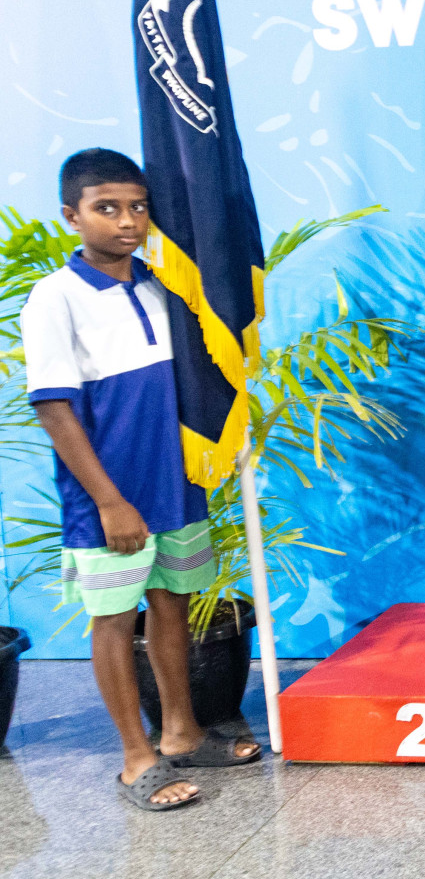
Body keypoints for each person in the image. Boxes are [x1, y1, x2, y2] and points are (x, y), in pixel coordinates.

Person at [21, 150, 261, 811]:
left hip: (174, 484)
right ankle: (135, 757)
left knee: (172, 606)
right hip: (110, 497)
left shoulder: (164, 285)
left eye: (137, 207)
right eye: (107, 208)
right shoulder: (55, 297)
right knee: (114, 618)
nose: (127, 222)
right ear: (72, 216)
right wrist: (109, 500)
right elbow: (54, 406)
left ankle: (182, 732)